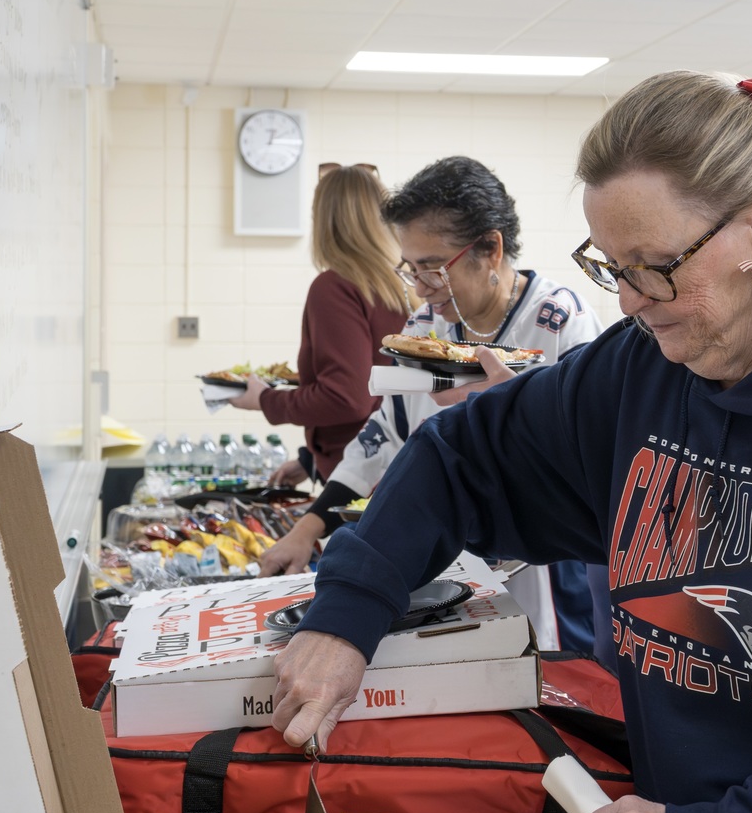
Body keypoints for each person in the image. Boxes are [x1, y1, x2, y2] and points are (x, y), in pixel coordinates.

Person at [270, 72, 752, 813]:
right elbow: (462, 456)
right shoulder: (644, 370)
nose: (628, 302)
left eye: (654, 265)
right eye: (609, 266)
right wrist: (350, 607)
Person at [259, 154, 606, 654]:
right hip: (460, 566)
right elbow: (382, 435)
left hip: (547, 574)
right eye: (411, 269)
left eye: (432, 269)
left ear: (489, 248)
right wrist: (308, 527)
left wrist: (513, 411)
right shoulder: (426, 329)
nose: (420, 289)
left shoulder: (559, 322)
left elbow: (593, 460)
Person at [228, 164, 407, 484]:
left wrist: (264, 400)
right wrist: (312, 458)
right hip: (397, 464)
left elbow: (347, 398)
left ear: (324, 221)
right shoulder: (406, 284)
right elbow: (378, 388)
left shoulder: (336, 286)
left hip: (359, 474)